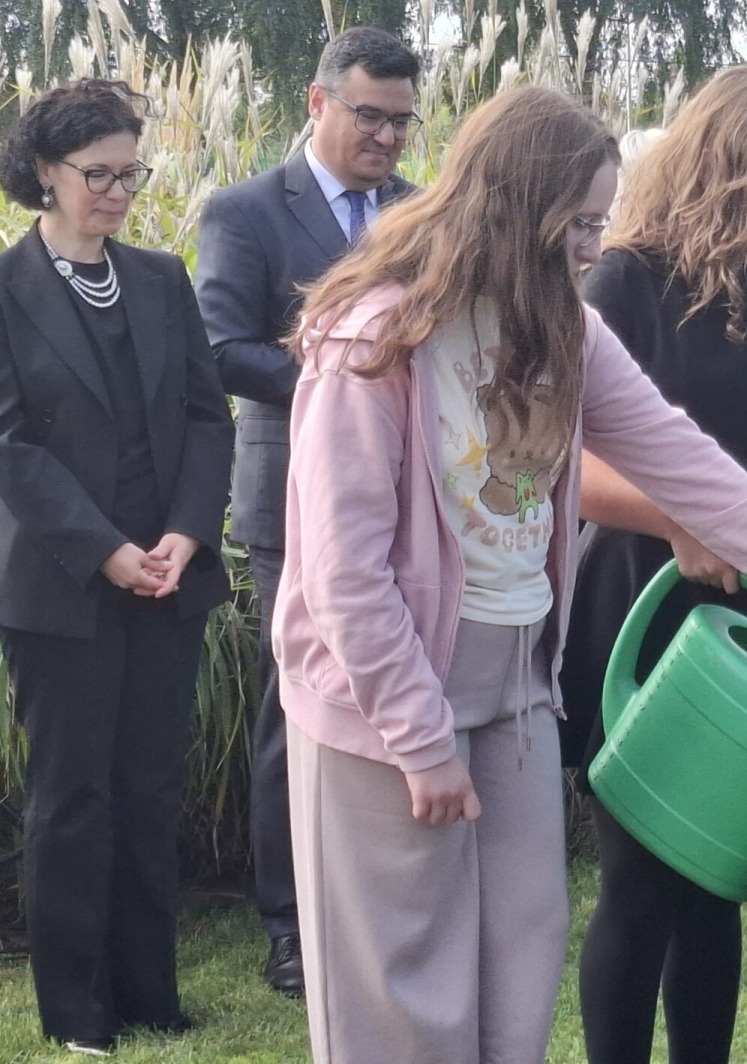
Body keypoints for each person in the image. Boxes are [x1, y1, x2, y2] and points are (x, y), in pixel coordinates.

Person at [276, 85, 747, 1064]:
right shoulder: (376, 338)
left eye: (601, 222)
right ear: (514, 209)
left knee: (516, 981)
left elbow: (690, 465)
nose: (598, 246)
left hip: (516, 693)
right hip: (383, 707)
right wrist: (418, 739)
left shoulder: (564, 327)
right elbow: (343, 572)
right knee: (407, 1004)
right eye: (581, 225)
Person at [556, 65, 747, 1064]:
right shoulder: (621, 282)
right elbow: (568, 464)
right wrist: (683, 522)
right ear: (718, 167)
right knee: (639, 881)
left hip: (746, 615)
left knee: (718, 876)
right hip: (636, 598)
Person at [0, 80, 234, 1055]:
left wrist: (184, 534)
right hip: (64, 583)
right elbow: (10, 446)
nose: (118, 193)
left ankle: (150, 998)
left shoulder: (160, 276)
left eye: (130, 173)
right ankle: (77, 1015)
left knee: (146, 789)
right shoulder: (5, 292)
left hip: (168, 578)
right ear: (44, 173)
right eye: (97, 175)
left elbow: (203, 417)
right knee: (73, 800)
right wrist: (106, 551)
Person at [195, 26, 421, 998]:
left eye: (403, 122)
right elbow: (218, 348)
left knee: (401, 699)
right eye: (369, 115)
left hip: (418, 502)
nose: (386, 138)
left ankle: (386, 907)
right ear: (319, 103)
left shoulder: (422, 212)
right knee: (303, 714)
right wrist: (348, 372)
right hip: (293, 503)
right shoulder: (245, 211)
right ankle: (291, 926)